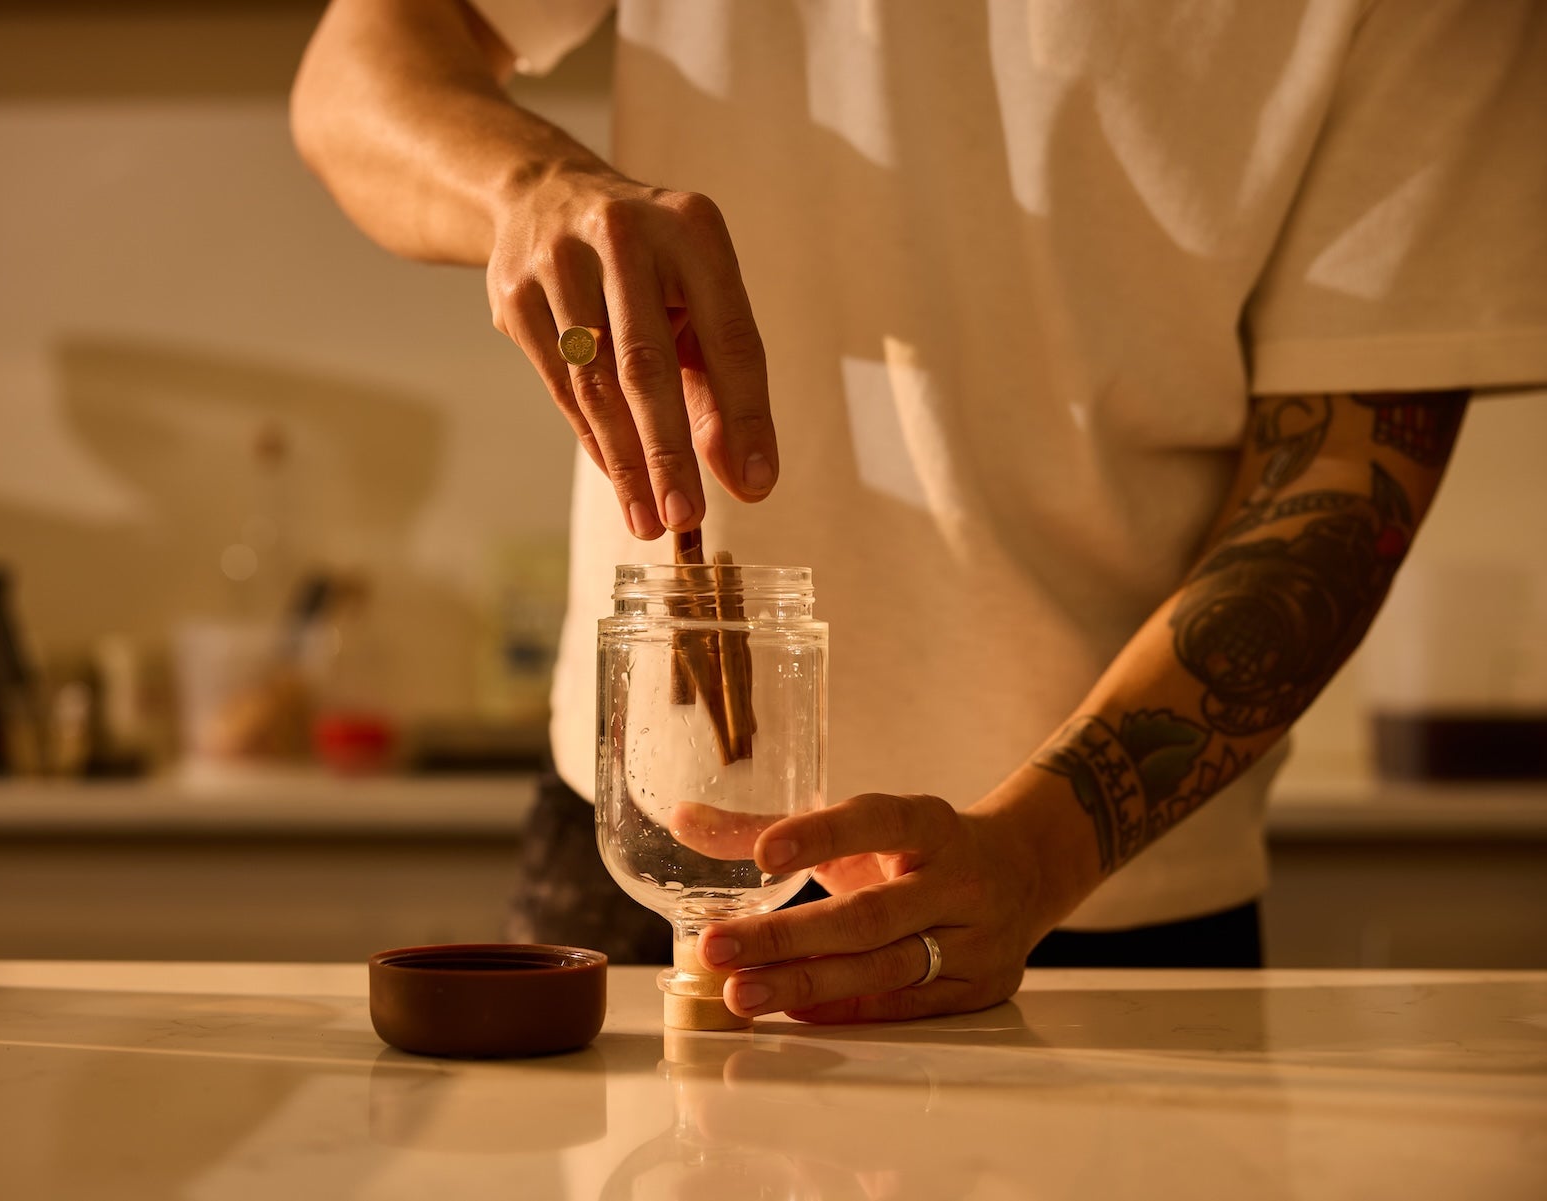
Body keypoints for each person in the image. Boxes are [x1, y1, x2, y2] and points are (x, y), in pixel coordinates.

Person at [292, 1, 1547, 1020]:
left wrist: (1036, 855)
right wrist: (530, 187)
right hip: (645, 856)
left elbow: (1340, 485)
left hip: (1091, 893)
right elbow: (362, 63)